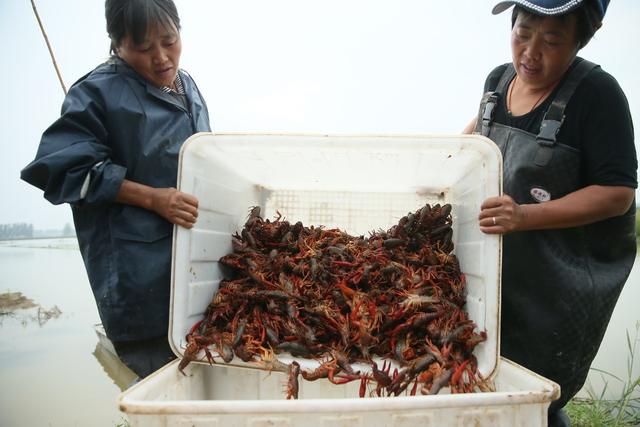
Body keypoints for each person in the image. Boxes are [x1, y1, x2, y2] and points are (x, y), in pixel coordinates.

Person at [463, 0, 636, 425]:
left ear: (586, 36)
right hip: (491, 276)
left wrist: (523, 216)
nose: (530, 52)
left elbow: (618, 194)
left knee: (535, 397)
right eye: (522, 32)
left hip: (555, 286)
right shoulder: (498, 80)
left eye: (552, 39)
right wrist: (438, 165)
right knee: (476, 384)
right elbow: (473, 142)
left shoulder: (598, 95)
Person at [21, 0, 211, 379]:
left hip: (194, 275)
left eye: (169, 41)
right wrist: (153, 199)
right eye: (143, 49)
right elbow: (62, 169)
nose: (161, 58)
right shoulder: (96, 93)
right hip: (138, 279)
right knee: (161, 383)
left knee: (203, 379)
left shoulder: (186, 85)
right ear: (117, 44)